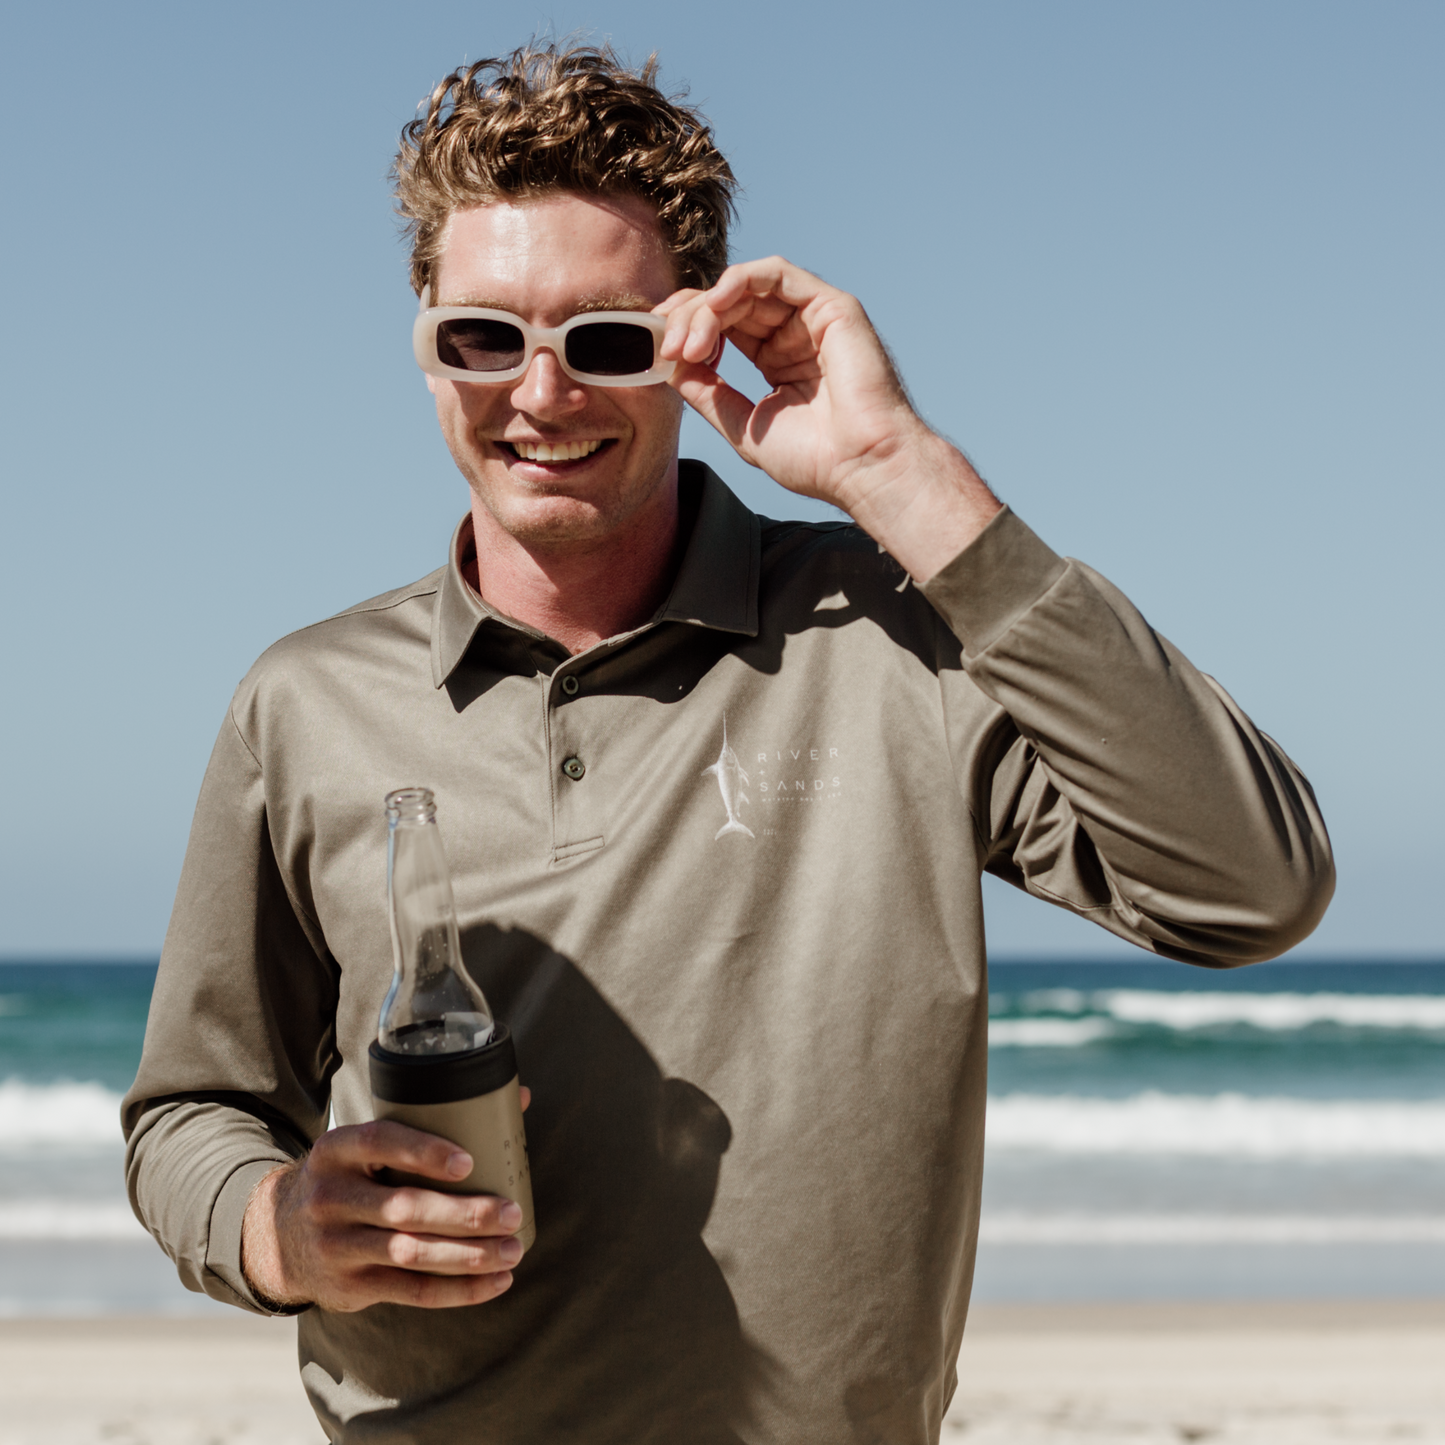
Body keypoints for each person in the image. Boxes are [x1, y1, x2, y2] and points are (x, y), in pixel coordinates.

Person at [123, 42, 1334, 1445]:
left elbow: (1250, 887)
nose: (543, 392)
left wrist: (903, 477)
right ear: (427, 340)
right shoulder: (306, 701)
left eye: (606, 339)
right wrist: (283, 1229)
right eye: (485, 337)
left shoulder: (900, 636)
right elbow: (193, 1112)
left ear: (686, 347)